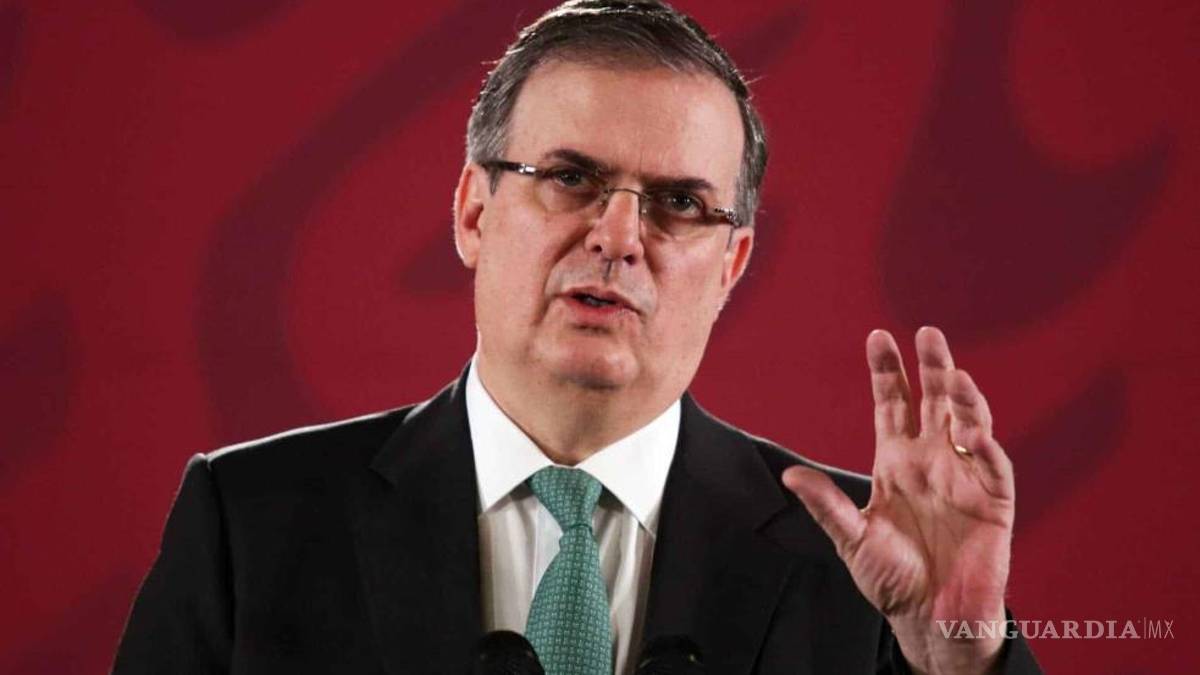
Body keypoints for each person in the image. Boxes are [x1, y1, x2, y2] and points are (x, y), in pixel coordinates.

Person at [113, 1, 1041, 673]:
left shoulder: (866, 565)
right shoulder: (251, 522)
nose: (619, 237)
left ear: (731, 264)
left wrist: (962, 657)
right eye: (570, 178)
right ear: (474, 212)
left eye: (680, 203)